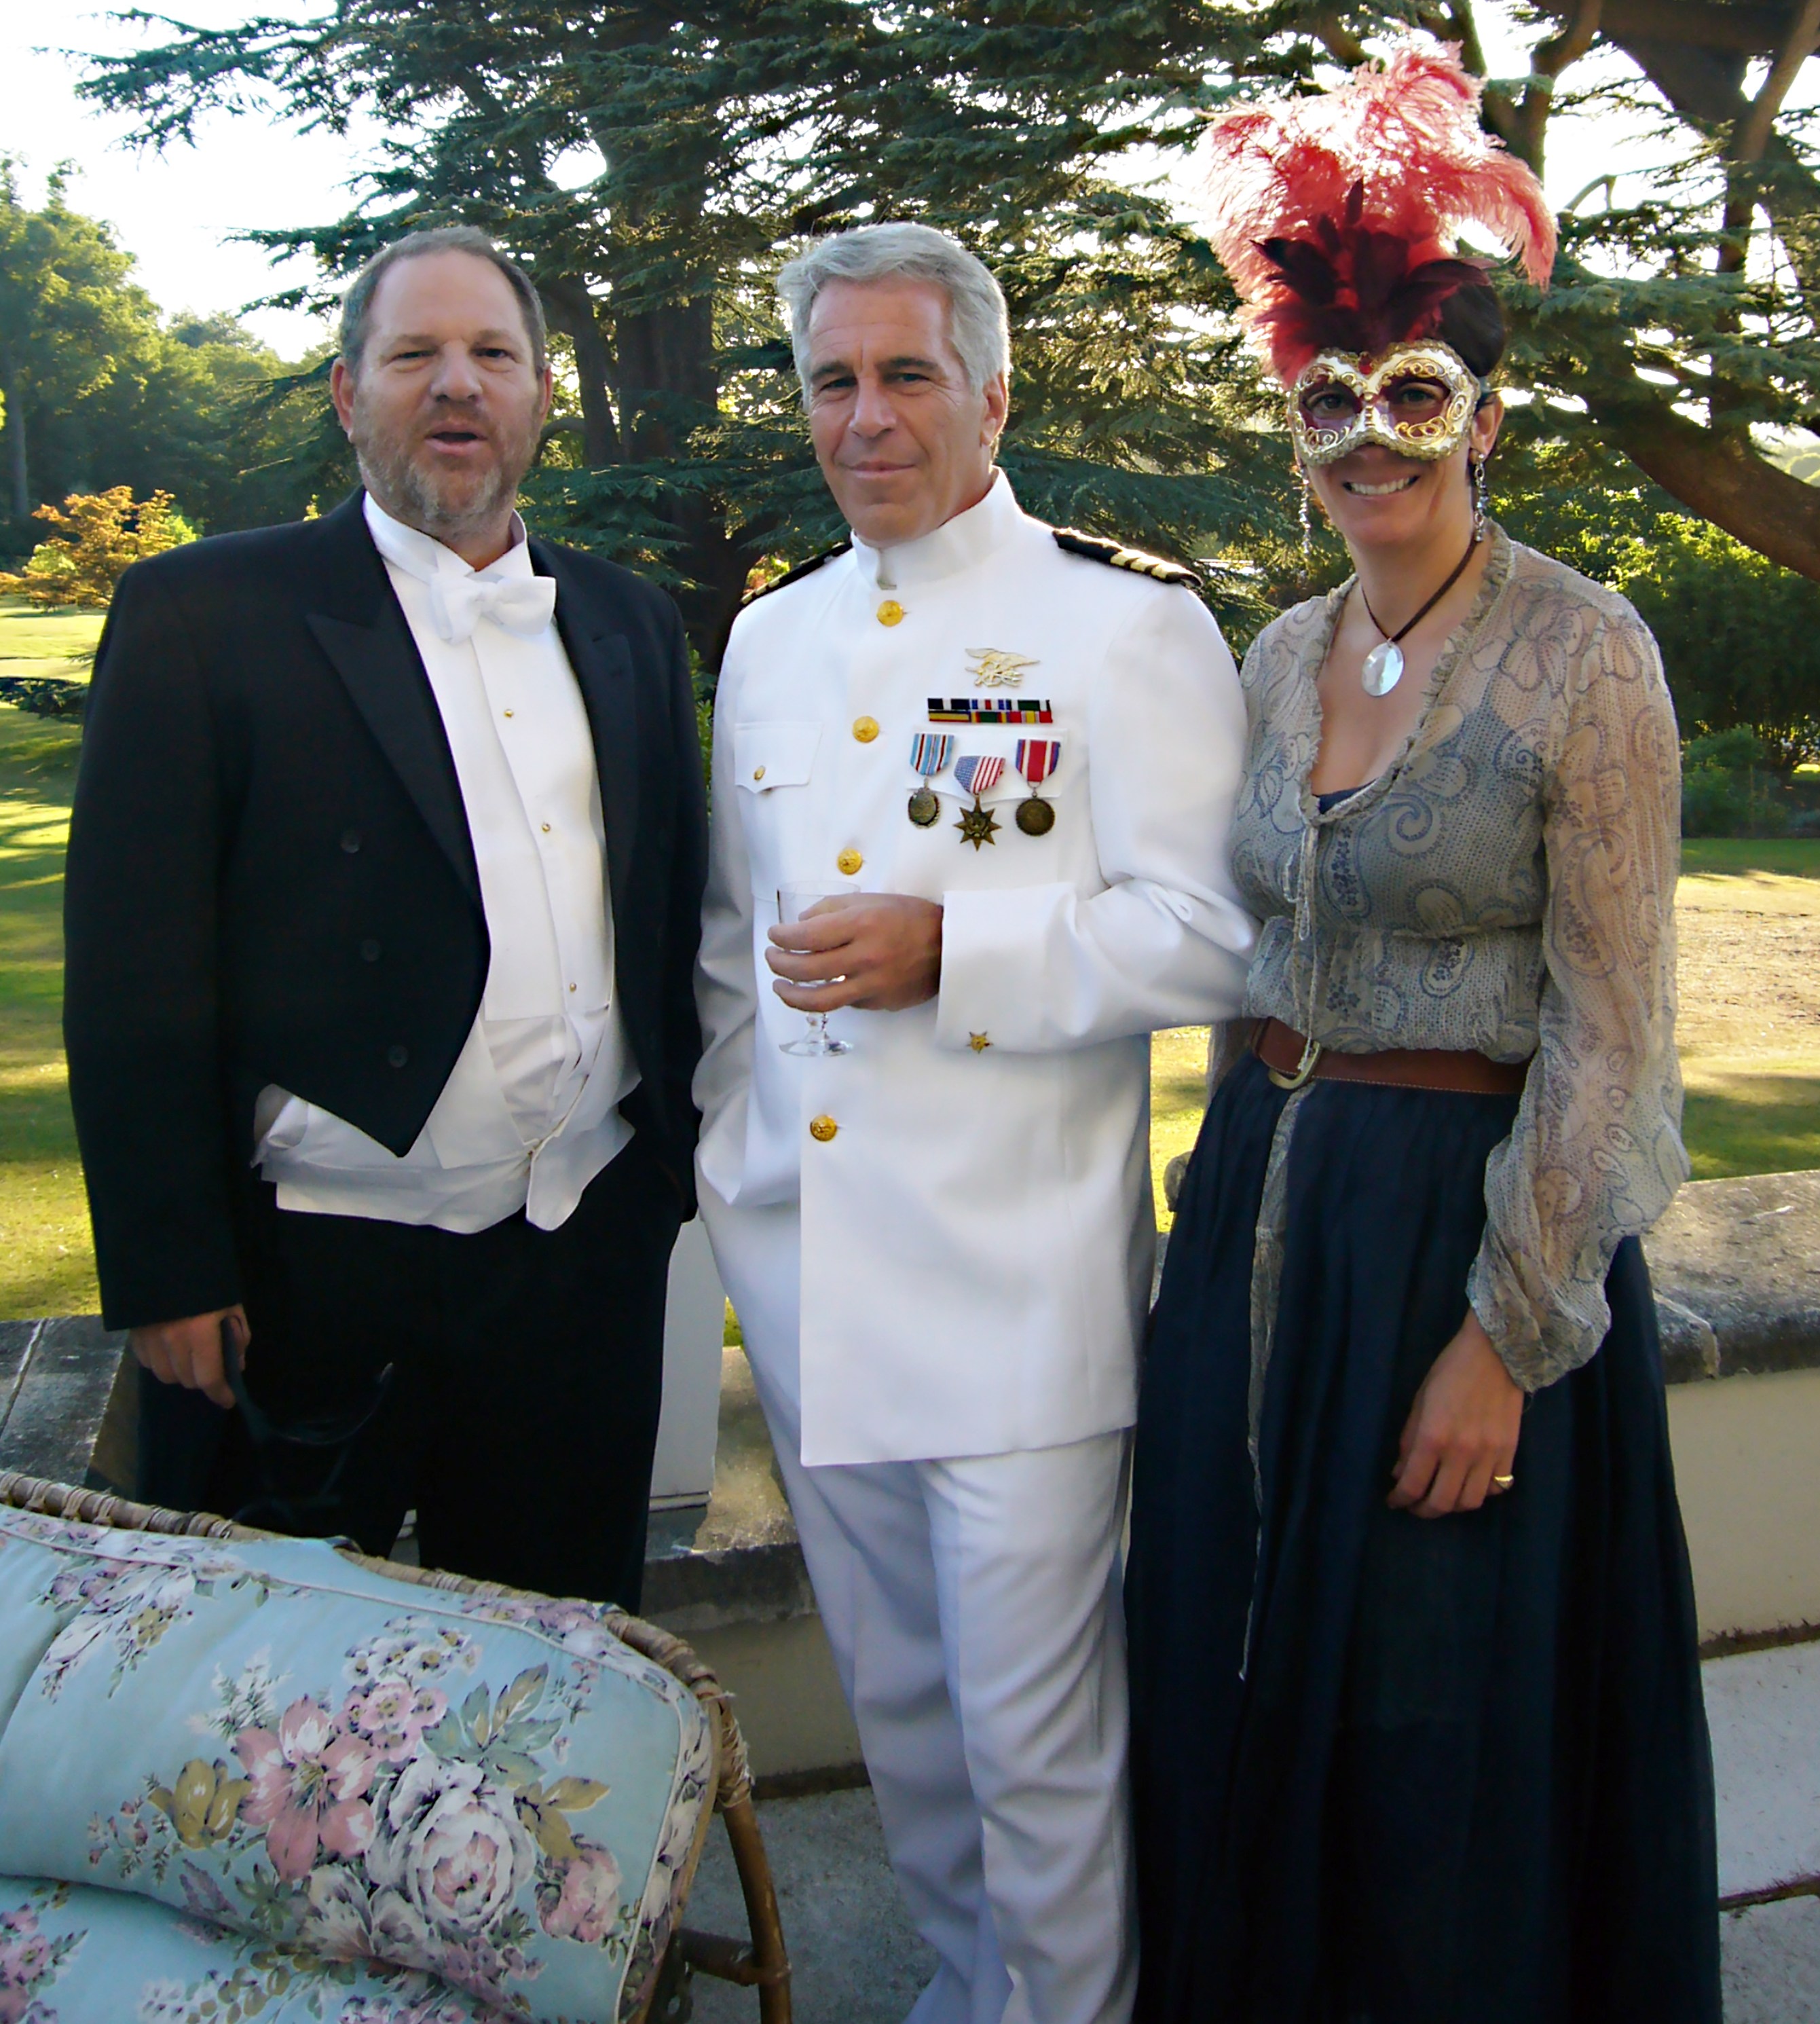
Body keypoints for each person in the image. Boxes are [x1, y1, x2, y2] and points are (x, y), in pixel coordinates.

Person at [1124, 48, 1719, 2024]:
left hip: (1466, 1248)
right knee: (1243, 1649)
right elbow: (1252, 956)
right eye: (1326, 400)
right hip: (1267, 1223)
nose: (1363, 437)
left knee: (1433, 1713)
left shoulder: (1584, 648)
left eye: (1408, 397)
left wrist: (1503, 1333)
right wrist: (1208, 1237)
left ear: (1481, 417)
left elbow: (1616, 1029)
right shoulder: (1282, 650)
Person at [694, 221, 1254, 2024]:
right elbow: (728, 951)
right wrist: (733, 1159)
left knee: (1034, 1748)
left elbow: (1217, 933)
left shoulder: (1123, 626)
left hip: (1020, 1295)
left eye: (906, 374)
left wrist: (959, 945)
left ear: (992, 393)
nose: (866, 416)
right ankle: (964, 1991)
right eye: (834, 380)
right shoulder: (770, 641)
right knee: (910, 1728)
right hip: (813, 1281)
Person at [63, 226, 707, 1608]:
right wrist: (170, 1269)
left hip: (577, 1263)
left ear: (541, 396)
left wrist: (666, 1184)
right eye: (415, 354)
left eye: (493, 355)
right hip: (309, 1280)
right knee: (253, 1717)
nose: (457, 384)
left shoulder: (630, 622)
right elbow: (130, 969)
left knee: (557, 1680)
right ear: (351, 395)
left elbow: (665, 916)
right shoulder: (202, 614)